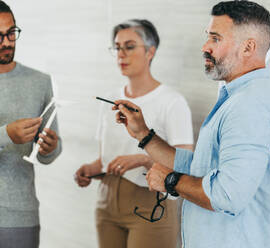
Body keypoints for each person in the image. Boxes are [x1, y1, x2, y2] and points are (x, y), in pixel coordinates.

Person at [113, 1, 270, 248]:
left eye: (215, 39)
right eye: (207, 37)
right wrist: (143, 134)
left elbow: (226, 195)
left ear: (248, 47)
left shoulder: (248, 107)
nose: (204, 47)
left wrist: (170, 181)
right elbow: (202, 167)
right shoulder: (238, 98)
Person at [74, 19, 193, 248]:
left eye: (129, 46)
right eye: (117, 47)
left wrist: (141, 159)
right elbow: (107, 157)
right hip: (107, 201)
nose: (121, 54)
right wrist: (90, 169)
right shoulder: (110, 99)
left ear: (150, 51)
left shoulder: (172, 102)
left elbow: (185, 163)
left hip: (150, 205)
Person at [0, 1, 62, 248]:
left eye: (11, 33)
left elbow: (50, 152)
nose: (6, 42)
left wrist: (49, 148)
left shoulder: (40, 82)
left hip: (20, 217)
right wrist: (6, 134)